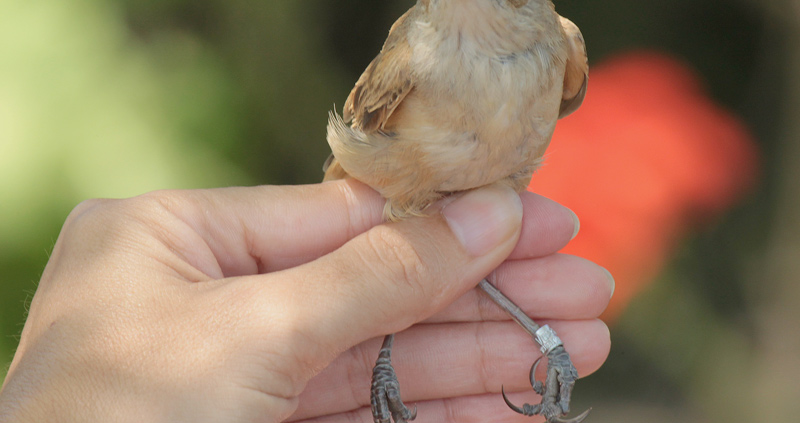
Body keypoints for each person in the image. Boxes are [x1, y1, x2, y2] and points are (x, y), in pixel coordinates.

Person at [0, 180, 612, 422]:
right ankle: (388, 363)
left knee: (470, 263)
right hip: (393, 204)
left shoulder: (558, 51)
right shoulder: (419, 54)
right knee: (410, 244)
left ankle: (545, 344)